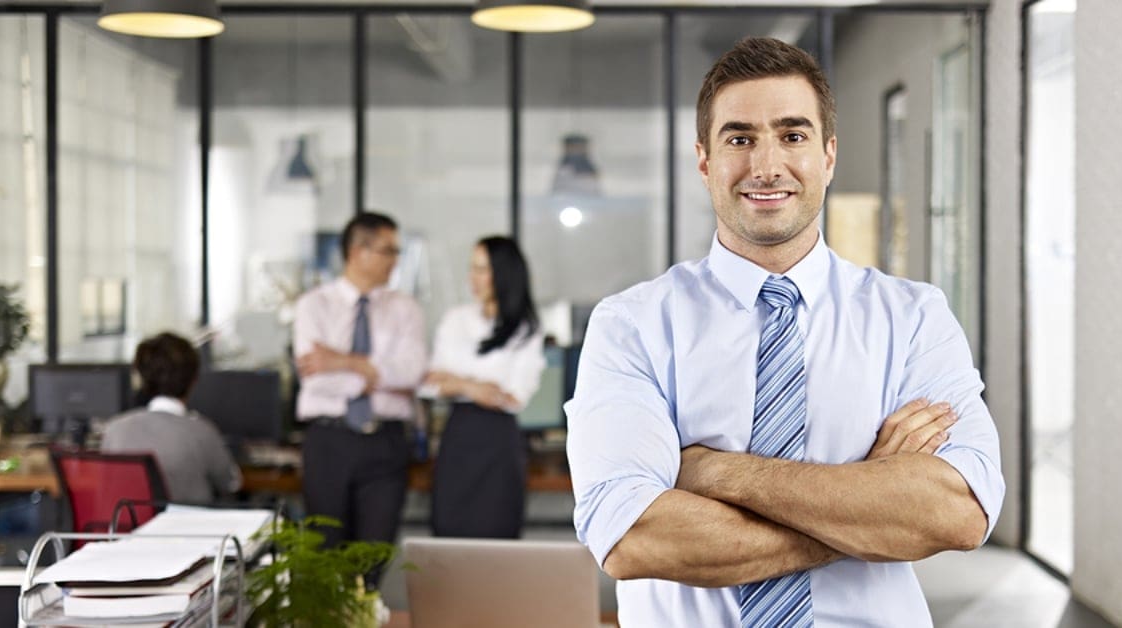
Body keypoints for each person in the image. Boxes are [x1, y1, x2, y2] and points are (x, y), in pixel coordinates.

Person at [565, 37, 1004, 627]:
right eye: (739, 138)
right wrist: (869, 508)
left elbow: (957, 512)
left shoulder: (914, 317)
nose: (766, 165)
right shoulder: (633, 326)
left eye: (792, 136)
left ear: (827, 156)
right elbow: (635, 538)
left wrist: (714, 472)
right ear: (704, 161)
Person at [293, 212, 427, 578]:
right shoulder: (313, 306)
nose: (396, 260)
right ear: (358, 251)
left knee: (374, 555)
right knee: (324, 553)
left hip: (385, 443)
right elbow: (316, 381)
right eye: (389, 250)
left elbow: (412, 372)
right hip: (328, 440)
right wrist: (378, 371)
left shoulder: (405, 308)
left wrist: (340, 361)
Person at [424, 236, 545, 538]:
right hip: (457, 439)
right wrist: (477, 387)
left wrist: (457, 382)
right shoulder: (455, 319)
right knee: (449, 536)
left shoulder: (526, 329)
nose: (472, 278)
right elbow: (429, 384)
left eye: (482, 269)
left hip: (499, 444)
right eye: (472, 269)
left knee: (497, 538)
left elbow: (514, 397)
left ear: (503, 274)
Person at [102, 332, 241, 505]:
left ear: (143, 379)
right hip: (189, 530)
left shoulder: (115, 429)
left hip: (132, 529)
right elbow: (231, 484)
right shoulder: (202, 431)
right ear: (193, 380)